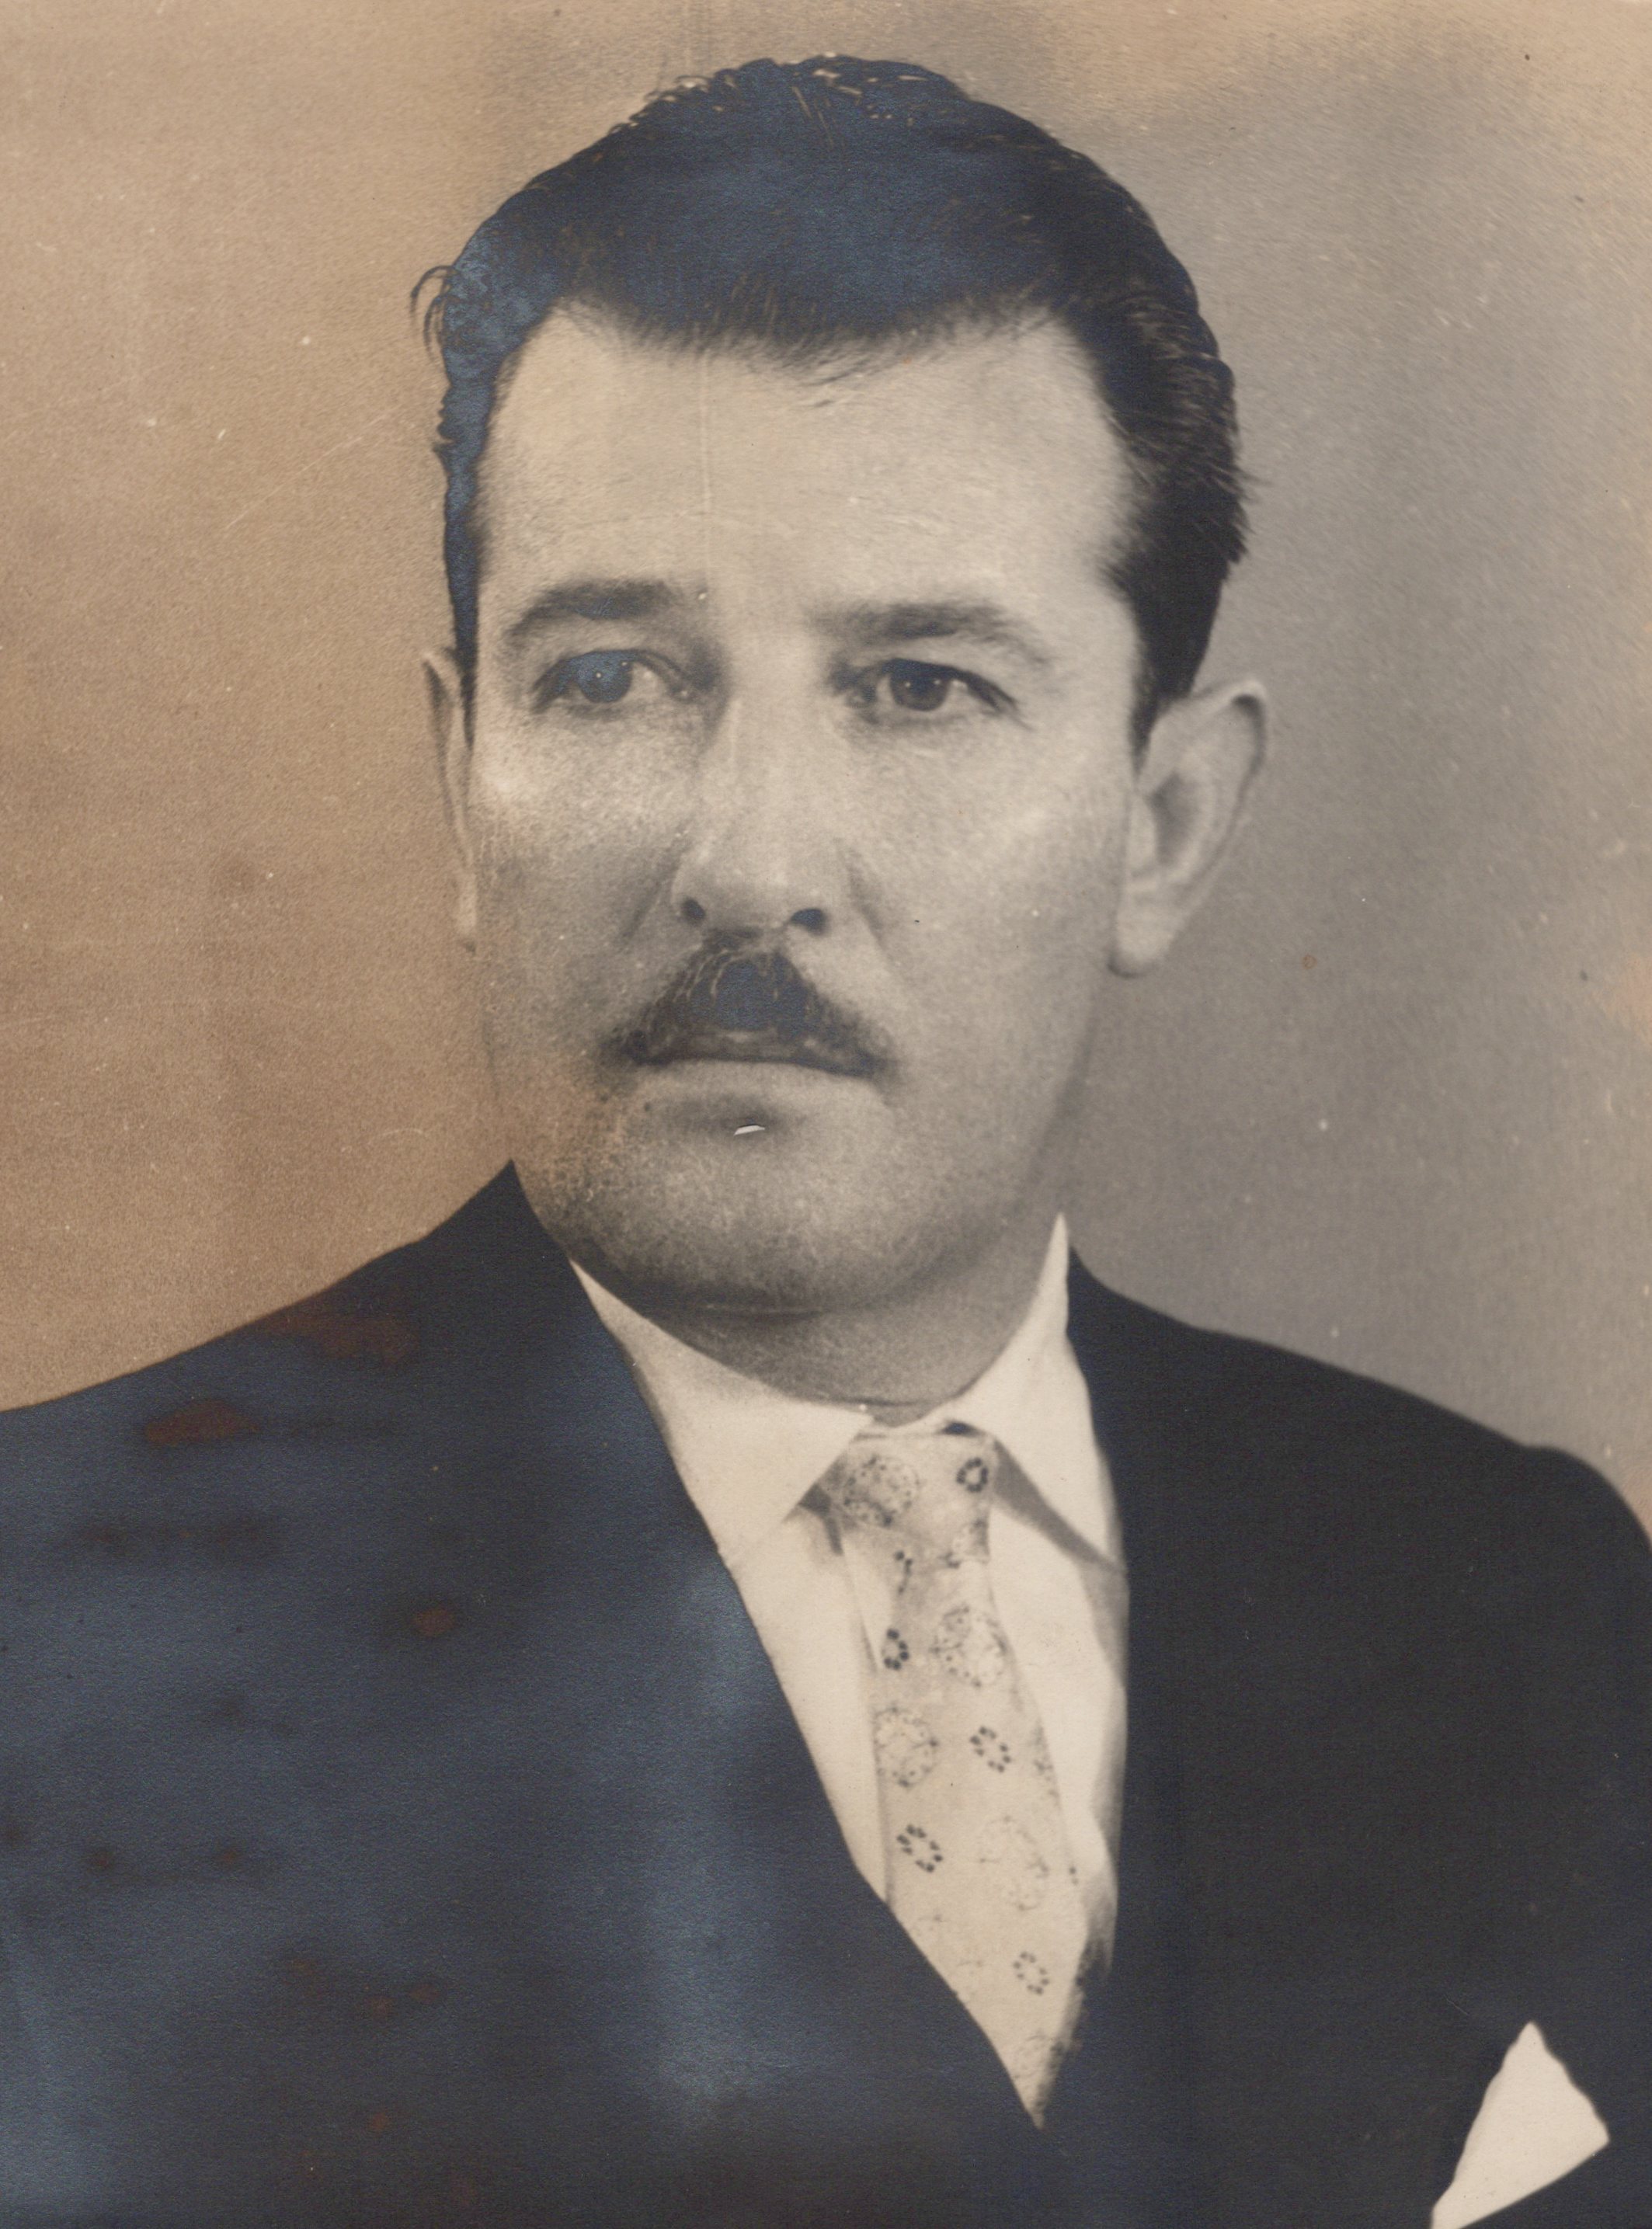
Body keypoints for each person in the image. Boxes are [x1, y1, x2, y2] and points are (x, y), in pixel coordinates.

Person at [0, 56, 1646, 2229]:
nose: (748, 863)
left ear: (1164, 824)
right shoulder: (53, 1630)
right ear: (462, 786)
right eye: (611, 679)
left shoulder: (1516, 1600)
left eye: (919, 686)